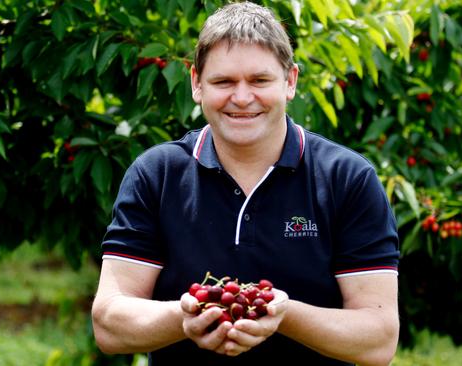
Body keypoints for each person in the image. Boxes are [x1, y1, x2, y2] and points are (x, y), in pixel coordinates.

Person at [91, 2, 400, 365]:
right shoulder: (156, 175)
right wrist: (185, 317)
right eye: (223, 81)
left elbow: (378, 339)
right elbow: (109, 325)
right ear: (196, 83)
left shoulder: (347, 179)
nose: (241, 98)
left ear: (290, 81)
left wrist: (285, 315)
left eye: (259, 80)